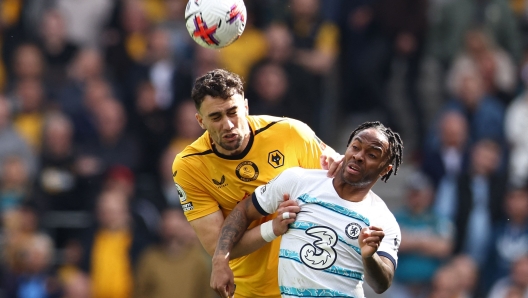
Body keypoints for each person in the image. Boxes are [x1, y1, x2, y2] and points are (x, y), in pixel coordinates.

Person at [171, 68, 340, 298]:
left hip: (312, 283)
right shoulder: (189, 166)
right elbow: (218, 246)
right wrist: (273, 228)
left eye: (233, 112)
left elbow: (339, 182)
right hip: (252, 291)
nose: (228, 125)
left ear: (247, 108)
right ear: (200, 121)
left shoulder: (291, 133)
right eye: (216, 117)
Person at [211, 121, 403, 298]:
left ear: (385, 169)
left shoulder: (382, 219)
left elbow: (382, 284)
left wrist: (370, 256)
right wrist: (220, 260)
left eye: (371, 155)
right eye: (355, 146)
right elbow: (243, 211)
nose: (359, 156)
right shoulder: (298, 182)